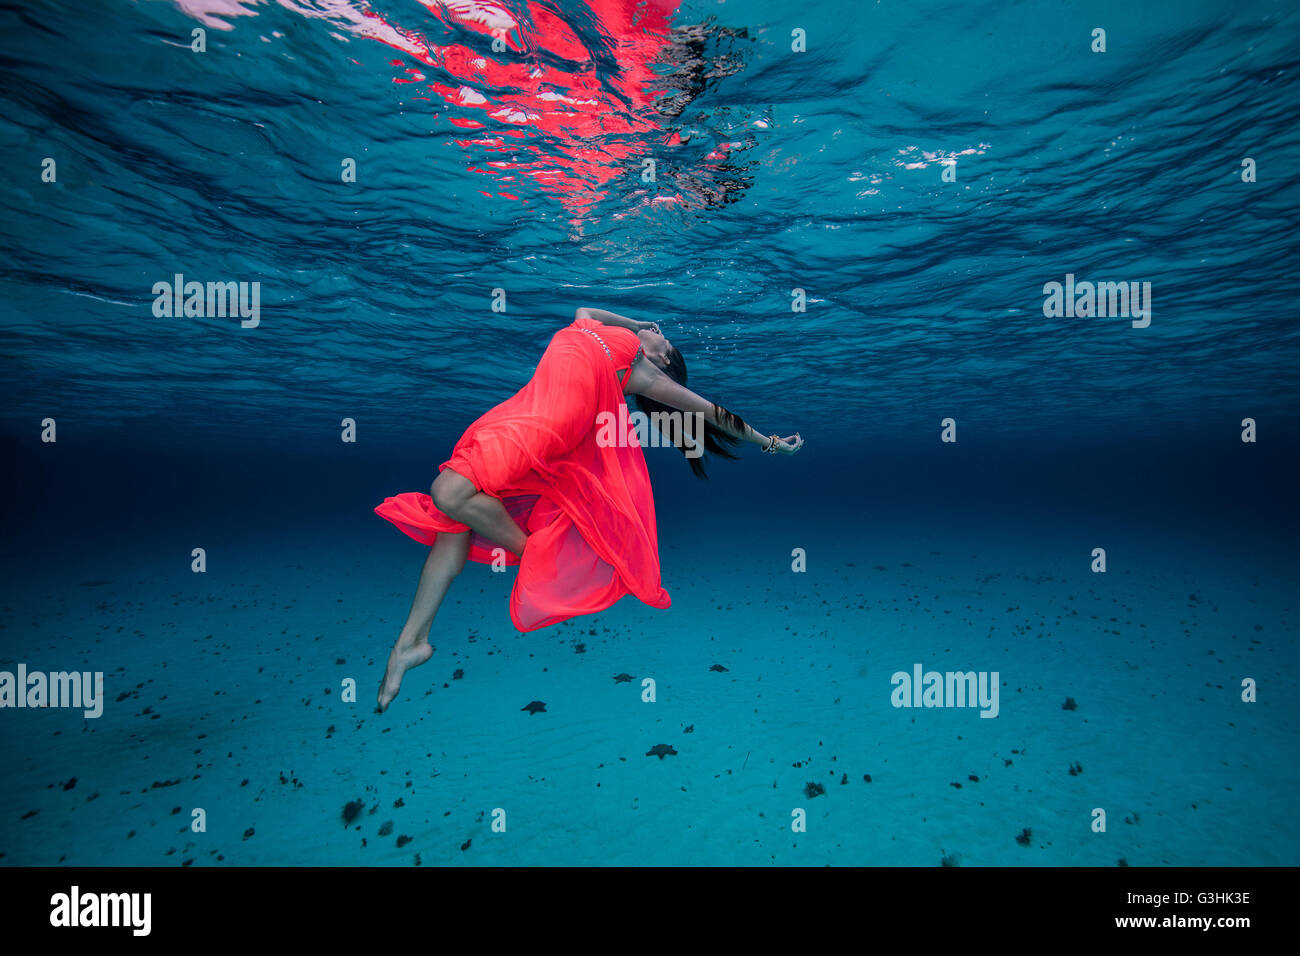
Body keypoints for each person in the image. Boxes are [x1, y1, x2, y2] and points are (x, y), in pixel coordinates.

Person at [373, 307, 802, 712]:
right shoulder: (596, 329)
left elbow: (714, 413)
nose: (656, 328)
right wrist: (640, 322)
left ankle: (534, 556)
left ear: (664, 355)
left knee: (449, 493)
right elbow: (585, 310)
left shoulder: (643, 371)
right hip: (512, 416)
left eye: (661, 335)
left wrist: (769, 442)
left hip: (547, 429)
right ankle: (411, 642)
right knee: (453, 519)